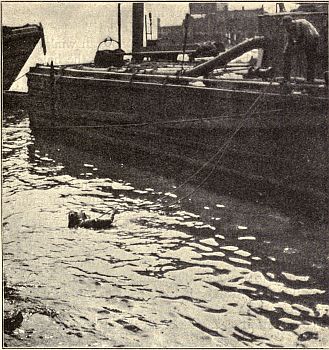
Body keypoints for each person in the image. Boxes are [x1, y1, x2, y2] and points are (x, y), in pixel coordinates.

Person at [282, 15, 320, 83]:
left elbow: (309, 38)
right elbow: (290, 41)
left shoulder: (303, 24)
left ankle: (310, 80)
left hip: (312, 39)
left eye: (287, 25)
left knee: (310, 58)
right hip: (301, 39)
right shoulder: (288, 28)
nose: (286, 27)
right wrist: (288, 50)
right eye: (285, 26)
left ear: (291, 22)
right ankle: (286, 78)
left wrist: (299, 47)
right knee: (286, 54)